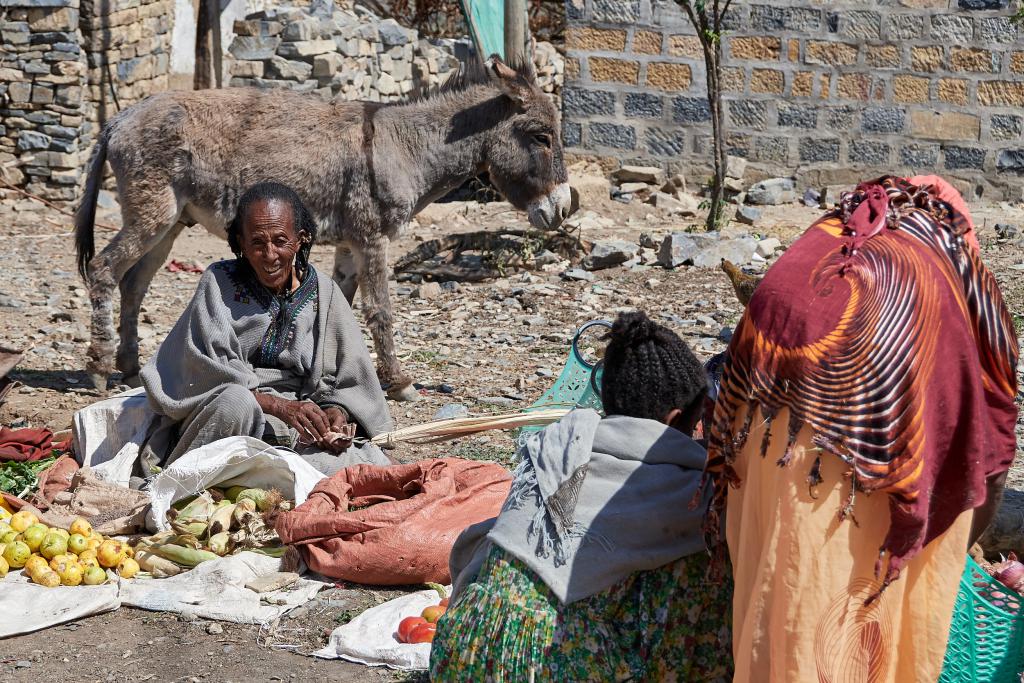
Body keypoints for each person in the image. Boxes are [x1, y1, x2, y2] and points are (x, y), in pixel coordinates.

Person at [706, 175, 1019, 682]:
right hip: (859, 440)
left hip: (762, 417)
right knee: (849, 609)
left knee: (781, 579)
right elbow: (986, 455)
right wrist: (950, 549)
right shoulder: (950, 276)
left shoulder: (830, 233)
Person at [430, 311, 733, 682]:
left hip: (462, 654)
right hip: (547, 667)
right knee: (711, 561)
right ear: (674, 420)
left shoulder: (556, 447)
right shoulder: (680, 486)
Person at [139, 182, 394, 474]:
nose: (270, 255)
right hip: (231, 420)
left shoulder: (326, 294)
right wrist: (276, 406)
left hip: (299, 425)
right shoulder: (219, 283)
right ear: (240, 243)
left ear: (300, 240)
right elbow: (202, 373)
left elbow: (349, 380)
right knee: (237, 403)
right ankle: (185, 480)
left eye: (280, 241)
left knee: (360, 468)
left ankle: (266, 475)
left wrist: (337, 413)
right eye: (257, 243)